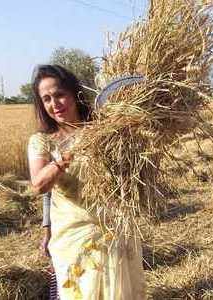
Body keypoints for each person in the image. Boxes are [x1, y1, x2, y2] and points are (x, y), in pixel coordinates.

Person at [28, 64, 146, 299]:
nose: (55, 104)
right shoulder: (42, 141)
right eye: (47, 98)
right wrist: (66, 155)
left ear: (75, 93)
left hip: (115, 230)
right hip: (75, 238)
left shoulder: (104, 130)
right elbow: (40, 185)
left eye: (60, 94)